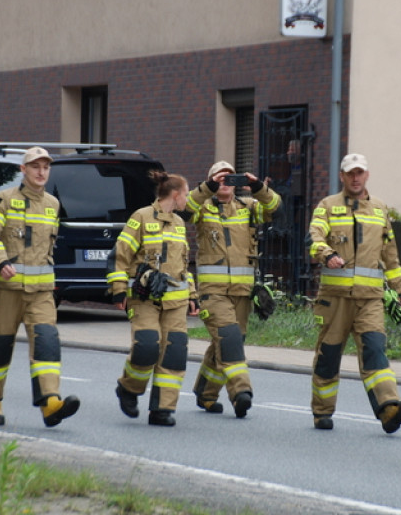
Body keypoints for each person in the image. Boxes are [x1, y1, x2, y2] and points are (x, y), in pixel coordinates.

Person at [307, 153, 401, 433]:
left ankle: (389, 409)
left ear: (367, 175)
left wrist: (398, 290)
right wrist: (326, 253)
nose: (355, 178)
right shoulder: (327, 206)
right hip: (335, 300)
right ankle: (322, 411)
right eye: (350, 173)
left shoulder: (380, 209)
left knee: (375, 352)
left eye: (360, 173)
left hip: (370, 300)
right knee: (329, 356)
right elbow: (314, 236)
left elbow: (390, 254)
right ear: (342, 176)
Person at [0, 146, 80, 427]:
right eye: (35, 167)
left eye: (45, 167)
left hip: (41, 293)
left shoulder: (52, 204)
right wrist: (0, 262)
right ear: (23, 170)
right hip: (7, 290)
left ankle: (50, 404)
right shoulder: (5, 199)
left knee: (47, 347)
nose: (41, 172)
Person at [187, 161, 281, 418]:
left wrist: (257, 186)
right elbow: (184, 210)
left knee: (227, 342)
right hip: (212, 292)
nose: (225, 183)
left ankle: (205, 393)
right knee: (228, 340)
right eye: (219, 178)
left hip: (242, 292)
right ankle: (241, 393)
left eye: (230, 178)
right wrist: (206, 188)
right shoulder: (202, 208)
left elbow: (276, 208)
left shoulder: (248, 207)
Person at [107, 170, 198, 427]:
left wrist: (192, 295)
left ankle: (162, 409)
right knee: (147, 347)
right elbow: (120, 256)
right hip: (145, 299)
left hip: (177, 302)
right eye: (187, 194)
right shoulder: (141, 217)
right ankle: (128, 389)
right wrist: (118, 289)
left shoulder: (180, 224)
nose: (188, 199)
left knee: (174, 352)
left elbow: (182, 265)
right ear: (176, 194)